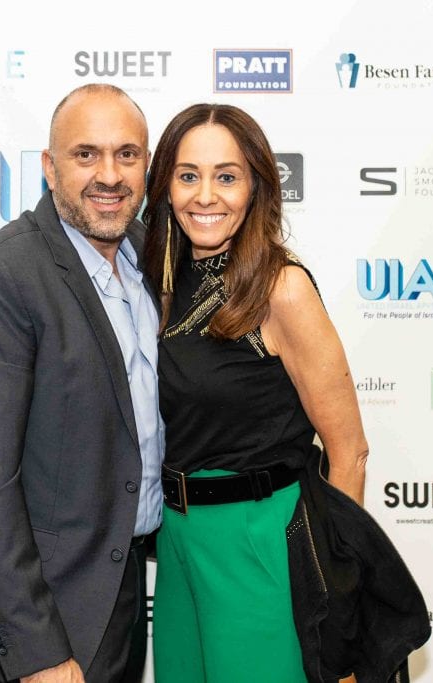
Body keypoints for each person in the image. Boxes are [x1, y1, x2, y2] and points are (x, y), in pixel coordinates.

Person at [0, 83, 163, 683]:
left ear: (146, 164)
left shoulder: (151, 255)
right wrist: (38, 651)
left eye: (126, 154)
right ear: (49, 166)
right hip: (53, 601)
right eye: (86, 154)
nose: (109, 175)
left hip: (124, 581)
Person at [141, 103, 369, 683]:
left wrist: (340, 594)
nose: (205, 195)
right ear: (165, 187)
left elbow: (349, 453)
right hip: (179, 543)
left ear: (255, 188)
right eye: (188, 175)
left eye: (227, 176)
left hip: (259, 542)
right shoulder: (158, 285)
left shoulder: (281, 288)